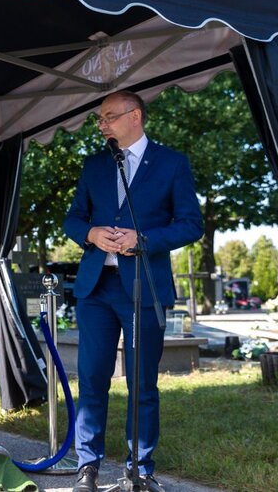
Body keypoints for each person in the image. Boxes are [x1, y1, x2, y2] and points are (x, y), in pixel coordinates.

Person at [63, 90, 203, 492]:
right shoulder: (93, 166)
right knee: (91, 378)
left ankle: (139, 470)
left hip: (143, 287)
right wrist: (89, 232)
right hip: (95, 289)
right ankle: (87, 467)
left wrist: (142, 238)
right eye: (100, 119)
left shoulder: (172, 164)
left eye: (108, 117)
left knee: (143, 382)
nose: (102, 124)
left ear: (135, 116)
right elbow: (73, 218)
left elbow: (191, 224)